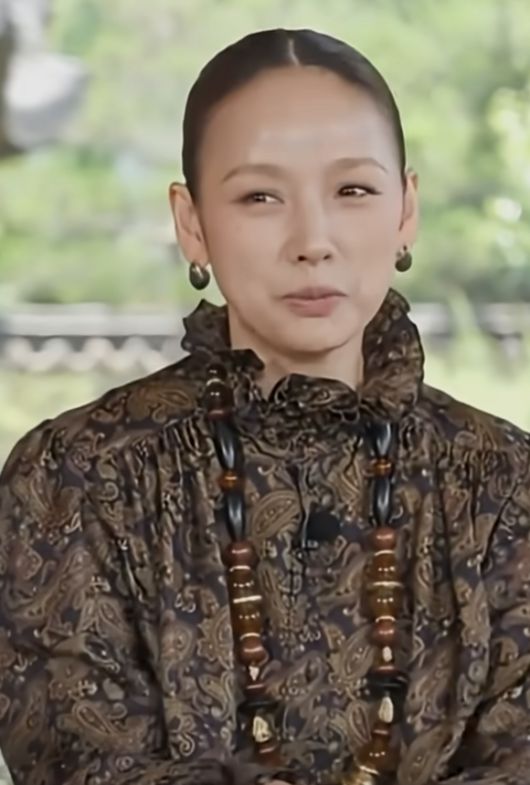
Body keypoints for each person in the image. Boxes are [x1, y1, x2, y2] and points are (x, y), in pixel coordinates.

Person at [0, 27, 529, 785]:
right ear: (192, 223)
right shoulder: (76, 478)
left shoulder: (504, 482)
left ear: (406, 208)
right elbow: (80, 758)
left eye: (353, 190)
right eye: (260, 196)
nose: (312, 240)